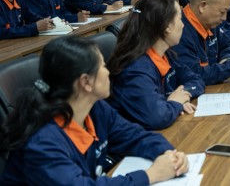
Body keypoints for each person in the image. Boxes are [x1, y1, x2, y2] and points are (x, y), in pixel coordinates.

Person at [0, 36, 189, 184]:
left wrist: (168, 155)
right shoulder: (42, 142)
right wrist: (151, 175)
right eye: (103, 66)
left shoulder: (95, 108)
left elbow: (136, 136)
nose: (108, 72)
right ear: (86, 82)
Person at [107, 0, 205, 130]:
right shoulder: (135, 68)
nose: (183, 25)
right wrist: (175, 103)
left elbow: (196, 80)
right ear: (167, 26)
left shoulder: (166, 55)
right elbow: (157, 116)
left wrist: (182, 96)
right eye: (180, 19)